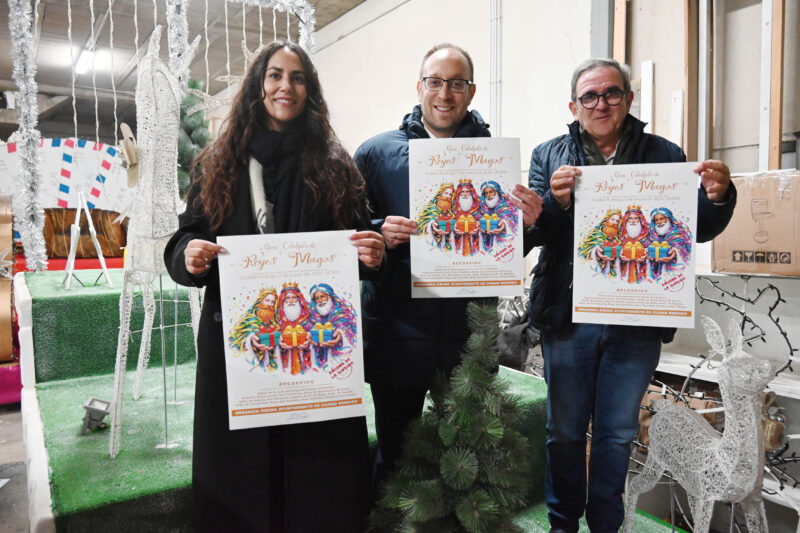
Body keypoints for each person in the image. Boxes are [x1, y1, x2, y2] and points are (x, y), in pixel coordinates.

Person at [164, 40, 384, 532]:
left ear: (310, 90)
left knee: (318, 478)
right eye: (275, 75)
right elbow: (186, 235)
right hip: (243, 351)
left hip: (316, 356)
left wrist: (373, 254)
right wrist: (189, 256)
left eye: (298, 77)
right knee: (242, 478)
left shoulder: (334, 165)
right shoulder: (218, 163)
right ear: (258, 87)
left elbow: (358, 240)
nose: (286, 86)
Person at [526, 58, 736, 533]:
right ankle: (562, 523)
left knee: (617, 435)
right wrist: (555, 205)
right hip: (569, 317)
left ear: (629, 99)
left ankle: (605, 523)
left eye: (612, 93)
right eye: (590, 96)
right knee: (563, 433)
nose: (601, 104)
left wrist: (719, 197)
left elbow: (695, 230)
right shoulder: (549, 154)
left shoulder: (664, 153)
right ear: (573, 105)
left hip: (636, 321)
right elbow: (537, 232)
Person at [354, 43, 543, 485]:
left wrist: (528, 228)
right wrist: (380, 231)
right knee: (396, 454)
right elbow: (349, 231)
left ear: (471, 91)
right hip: (398, 330)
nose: (445, 94)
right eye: (435, 82)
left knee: (466, 460)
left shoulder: (494, 160)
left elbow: (504, 251)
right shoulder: (376, 154)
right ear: (419, 87)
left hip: (467, 335)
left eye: (456, 84)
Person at [308, 282, 358, 367]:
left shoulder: (340, 312)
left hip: (338, 362)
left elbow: (344, 324)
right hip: (318, 360)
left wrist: (340, 333)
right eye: (317, 298)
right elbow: (308, 328)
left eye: (322, 296)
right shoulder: (313, 314)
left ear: (330, 296)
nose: (320, 301)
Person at [229, 287, 279, 370]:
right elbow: (240, 337)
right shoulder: (249, 319)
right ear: (260, 301)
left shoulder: (274, 323)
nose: (270, 304)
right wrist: (251, 338)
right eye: (267, 300)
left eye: (272, 302)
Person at [276, 283, 313, 374]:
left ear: (299, 299)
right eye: (287, 298)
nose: (291, 301)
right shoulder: (277, 319)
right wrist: (279, 343)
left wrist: (309, 341)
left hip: (305, 362)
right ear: (283, 300)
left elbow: (315, 333)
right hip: (284, 364)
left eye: (294, 298)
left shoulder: (307, 317)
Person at [648, 207, 693, 281]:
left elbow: (679, 245)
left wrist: (675, 251)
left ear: (668, 219)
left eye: (662, 219)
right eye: (656, 220)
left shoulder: (677, 233)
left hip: (673, 276)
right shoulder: (653, 234)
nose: (659, 222)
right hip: (656, 274)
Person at [478, 180, 517, 252]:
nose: (489, 195)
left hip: (502, 248)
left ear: (498, 192)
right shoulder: (482, 207)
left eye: (491, 192)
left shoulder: (506, 205)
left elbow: (507, 215)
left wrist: (504, 223)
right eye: (486, 193)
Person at [618, 205, 650, 284]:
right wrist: (620, 256)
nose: (633, 221)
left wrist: (647, 255)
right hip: (623, 276)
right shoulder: (620, 235)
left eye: (636, 218)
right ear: (626, 220)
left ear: (640, 220)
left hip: (643, 274)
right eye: (630, 219)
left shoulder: (647, 235)